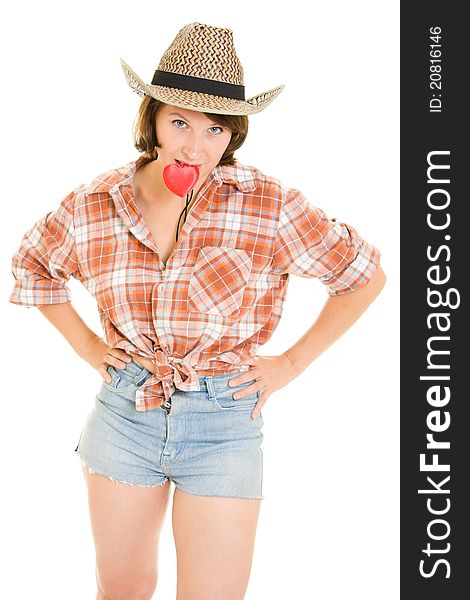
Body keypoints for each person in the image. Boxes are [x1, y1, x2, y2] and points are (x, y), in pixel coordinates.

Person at [9, 21, 386, 600]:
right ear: (152, 119)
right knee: (123, 589)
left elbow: (363, 276)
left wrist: (290, 364)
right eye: (180, 121)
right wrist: (87, 346)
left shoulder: (268, 205)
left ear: (232, 135)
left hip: (224, 421)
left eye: (214, 129)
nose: (193, 146)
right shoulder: (95, 203)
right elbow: (33, 263)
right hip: (124, 412)